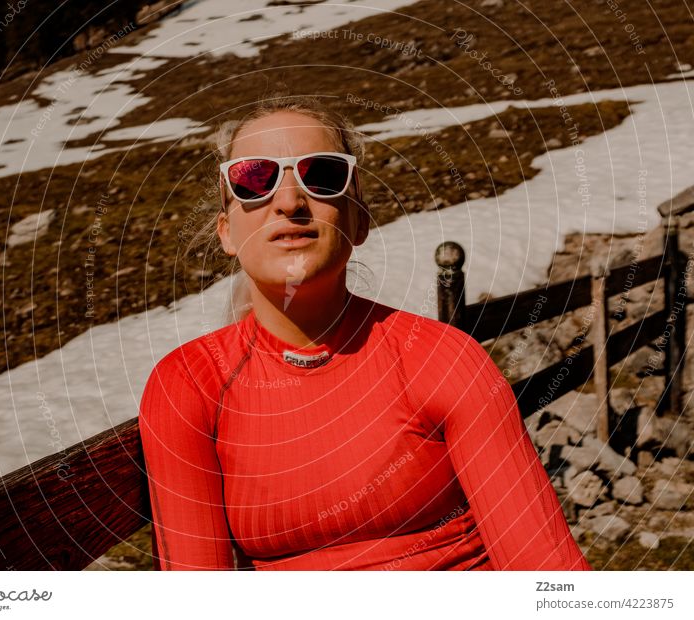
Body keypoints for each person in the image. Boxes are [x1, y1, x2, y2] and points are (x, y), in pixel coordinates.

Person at [138, 94, 592, 571]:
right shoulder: (189, 384)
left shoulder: (440, 358)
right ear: (226, 232)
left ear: (358, 221)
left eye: (323, 176)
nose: (289, 201)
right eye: (254, 179)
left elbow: (549, 575)